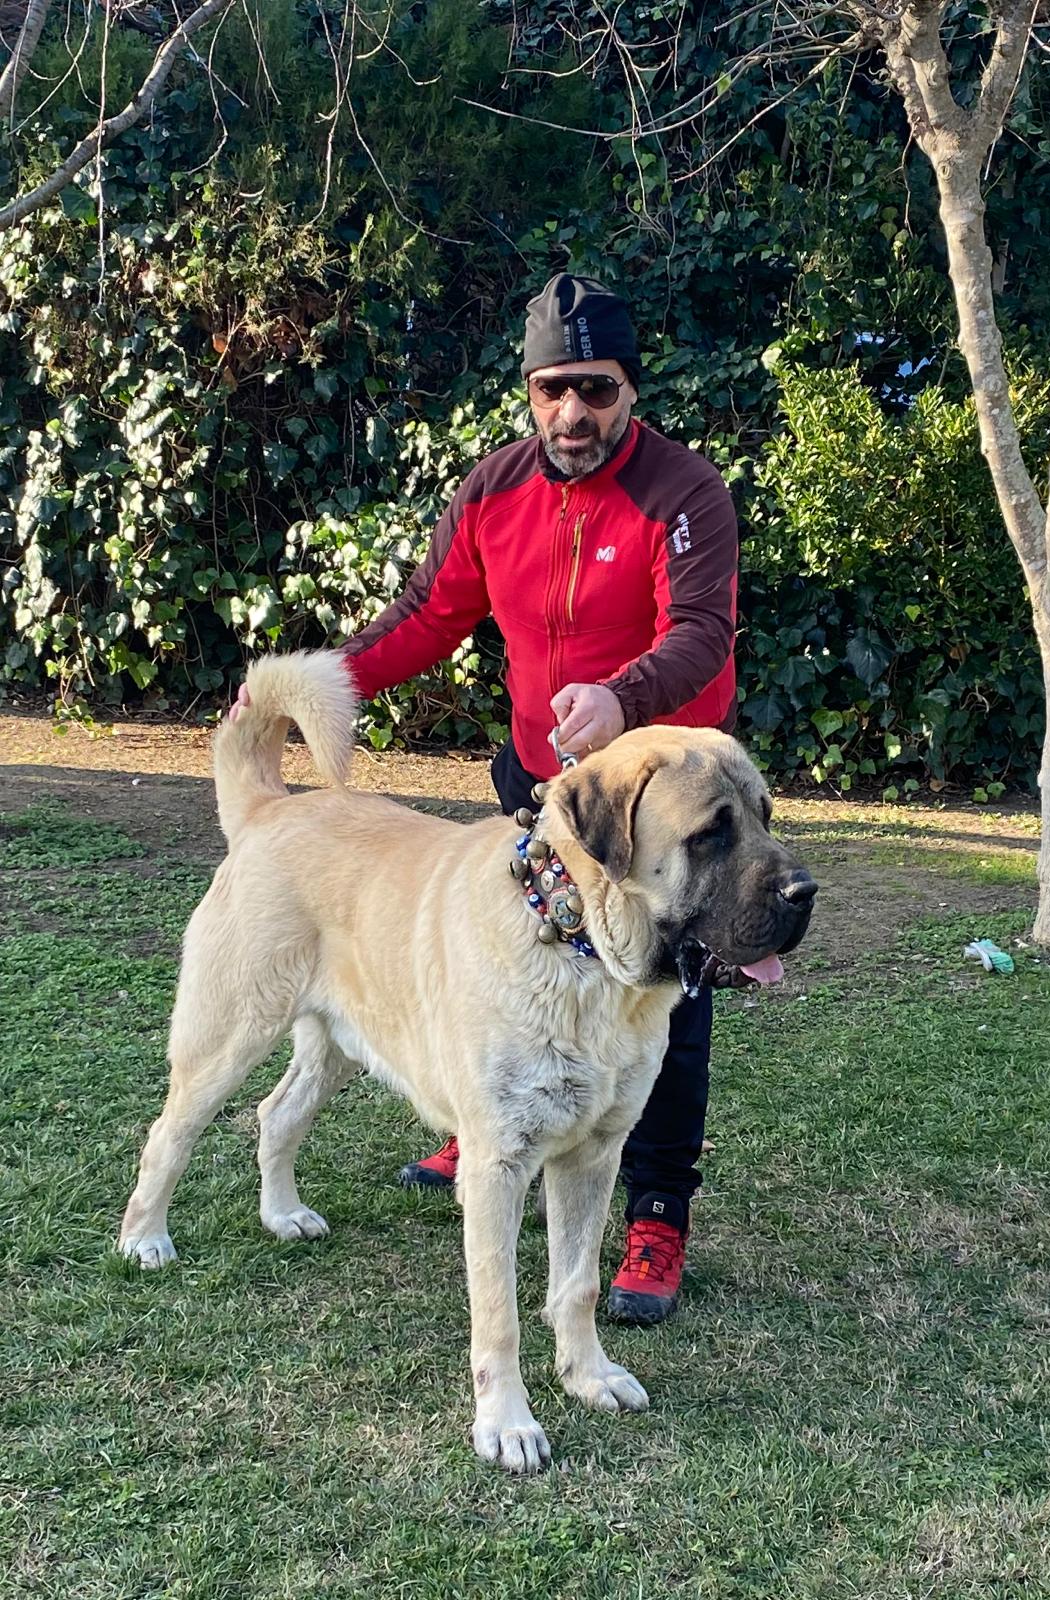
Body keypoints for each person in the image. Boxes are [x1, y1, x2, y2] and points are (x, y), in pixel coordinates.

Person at [233, 272, 739, 1323]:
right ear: (529, 391)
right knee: (510, 971)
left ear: (630, 390)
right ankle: (491, 1119)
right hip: (538, 788)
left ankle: (656, 1213)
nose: (573, 411)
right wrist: (316, 686)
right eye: (554, 388)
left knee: (664, 993)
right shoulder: (493, 489)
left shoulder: (683, 492)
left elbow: (701, 632)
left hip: (661, 803)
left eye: (596, 388)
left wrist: (623, 697)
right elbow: (429, 614)